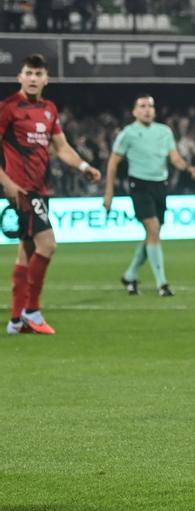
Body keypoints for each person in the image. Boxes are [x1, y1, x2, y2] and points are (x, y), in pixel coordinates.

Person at [1, 54, 102, 335]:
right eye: (28, 73)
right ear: (20, 77)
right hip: (22, 190)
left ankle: (15, 321)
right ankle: (32, 311)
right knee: (48, 245)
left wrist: (84, 166)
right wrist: (7, 182)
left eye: (38, 74)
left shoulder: (49, 109)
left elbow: (62, 147)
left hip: (41, 189)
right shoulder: (8, 108)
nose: (33, 78)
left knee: (27, 251)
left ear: (46, 79)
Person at [103, 95, 195, 297]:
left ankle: (130, 275)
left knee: (153, 234)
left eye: (150, 106)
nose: (147, 110)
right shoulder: (128, 134)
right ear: (134, 112)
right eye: (142, 106)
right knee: (153, 228)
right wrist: (109, 193)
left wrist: (188, 168)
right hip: (139, 185)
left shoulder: (164, 132)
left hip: (160, 186)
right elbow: (113, 163)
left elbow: (174, 157)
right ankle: (162, 284)